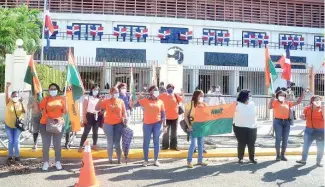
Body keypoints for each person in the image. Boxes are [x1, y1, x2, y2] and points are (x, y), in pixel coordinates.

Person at [133, 85, 167, 167]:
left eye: (157, 90)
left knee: (156, 142)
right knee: (146, 142)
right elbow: (133, 105)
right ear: (150, 91)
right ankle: (145, 160)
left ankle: (156, 160)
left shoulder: (160, 102)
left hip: (157, 124)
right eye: (154, 90)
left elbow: (163, 115)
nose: (156, 91)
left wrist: (164, 126)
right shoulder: (145, 100)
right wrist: (138, 97)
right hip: (147, 124)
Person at [268, 89, 305, 161]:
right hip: (277, 122)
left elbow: (298, 102)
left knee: (285, 139)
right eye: (280, 95)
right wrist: (272, 99)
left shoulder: (287, 103)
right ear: (277, 96)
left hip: (286, 122)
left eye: (283, 95)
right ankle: (278, 155)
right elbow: (269, 107)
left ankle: (282, 155)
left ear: (285, 96)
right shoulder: (275, 102)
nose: (281, 96)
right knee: (278, 139)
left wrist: (302, 94)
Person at [96, 87, 126, 164]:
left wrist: (125, 119)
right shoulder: (106, 101)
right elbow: (97, 108)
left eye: (117, 92)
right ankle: (110, 159)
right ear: (111, 93)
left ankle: (119, 159)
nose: (116, 94)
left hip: (119, 124)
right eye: (115, 92)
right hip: (108, 124)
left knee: (117, 143)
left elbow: (124, 113)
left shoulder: (121, 101)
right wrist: (100, 100)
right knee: (110, 142)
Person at [39, 83, 66, 171]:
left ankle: (58, 161)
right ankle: (46, 162)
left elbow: (65, 111)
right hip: (45, 124)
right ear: (49, 90)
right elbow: (42, 110)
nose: (53, 90)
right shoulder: (45, 99)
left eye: (54, 88)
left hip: (58, 124)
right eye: (51, 89)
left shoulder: (62, 99)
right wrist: (50, 119)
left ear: (57, 90)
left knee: (57, 144)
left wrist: (65, 102)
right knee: (46, 145)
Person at [296, 95, 324, 167]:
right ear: (312, 101)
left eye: (319, 100)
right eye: (316, 100)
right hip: (309, 130)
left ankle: (318, 162)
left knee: (320, 147)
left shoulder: (322, 108)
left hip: (320, 131)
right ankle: (303, 160)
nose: (318, 101)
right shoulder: (307, 108)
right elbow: (303, 115)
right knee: (306, 146)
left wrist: (323, 110)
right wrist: (302, 116)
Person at [185, 90, 208, 168]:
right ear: (196, 96)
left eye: (203, 96)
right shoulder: (189, 104)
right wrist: (189, 126)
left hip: (201, 127)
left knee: (200, 144)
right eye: (200, 96)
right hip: (193, 127)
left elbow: (209, 113)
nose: (202, 97)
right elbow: (185, 116)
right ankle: (189, 161)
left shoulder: (204, 104)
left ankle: (200, 161)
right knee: (193, 144)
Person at [233, 90, 257, 164]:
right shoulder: (237, 104)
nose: (250, 97)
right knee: (241, 143)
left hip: (252, 126)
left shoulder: (252, 103)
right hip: (240, 126)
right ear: (244, 96)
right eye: (249, 95)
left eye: (250, 95)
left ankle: (252, 158)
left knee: (251, 143)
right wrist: (234, 105)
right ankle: (240, 158)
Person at [4, 82, 25, 164]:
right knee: (11, 141)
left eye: (16, 96)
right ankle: (10, 156)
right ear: (11, 97)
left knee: (16, 141)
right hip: (8, 125)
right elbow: (6, 94)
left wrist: (23, 103)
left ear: (18, 97)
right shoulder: (8, 102)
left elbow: (24, 111)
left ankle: (17, 156)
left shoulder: (20, 103)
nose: (15, 97)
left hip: (17, 126)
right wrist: (7, 87)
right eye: (13, 96)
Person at [159, 84, 183, 151]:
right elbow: (156, 100)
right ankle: (165, 146)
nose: (170, 89)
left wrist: (182, 94)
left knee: (174, 132)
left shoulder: (175, 95)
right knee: (166, 132)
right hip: (166, 117)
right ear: (166, 88)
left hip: (175, 117)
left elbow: (181, 100)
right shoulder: (163, 95)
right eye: (169, 88)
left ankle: (174, 146)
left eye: (171, 88)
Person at [78, 84, 102, 152]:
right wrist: (84, 117)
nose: (96, 91)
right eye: (94, 89)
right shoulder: (87, 97)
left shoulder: (99, 98)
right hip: (89, 115)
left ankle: (94, 145)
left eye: (97, 89)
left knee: (95, 132)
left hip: (96, 116)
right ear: (91, 90)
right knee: (86, 132)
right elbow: (84, 108)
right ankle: (80, 146)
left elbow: (101, 108)